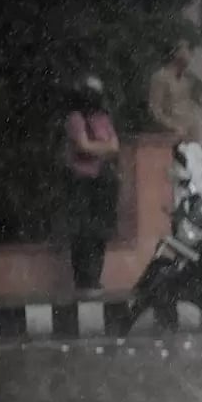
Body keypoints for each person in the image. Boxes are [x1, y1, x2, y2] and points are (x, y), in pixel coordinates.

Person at [62, 74, 120, 296]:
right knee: (82, 232)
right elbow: (83, 146)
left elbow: (114, 146)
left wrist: (96, 147)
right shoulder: (75, 118)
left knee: (100, 232)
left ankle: (94, 278)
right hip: (80, 182)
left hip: (101, 182)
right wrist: (101, 147)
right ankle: (84, 281)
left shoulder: (103, 118)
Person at [149, 39, 201, 142]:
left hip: (189, 135)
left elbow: (187, 105)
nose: (189, 55)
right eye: (185, 49)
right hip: (171, 135)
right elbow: (155, 110)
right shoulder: (161, 78)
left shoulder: (185, 80)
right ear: (176, 54)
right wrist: (172, 127)